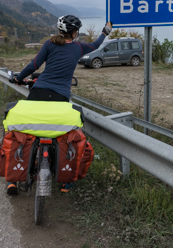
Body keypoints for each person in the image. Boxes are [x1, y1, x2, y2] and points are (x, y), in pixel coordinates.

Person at [6, 15, 112, 195]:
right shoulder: (78, 47)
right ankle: (66, 181)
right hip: (60, 96)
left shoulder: (49, 44)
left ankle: (14, 179)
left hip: (38, 92)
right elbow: (95, 45)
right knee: (64, 135)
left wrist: (18, 78)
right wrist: (105, 32)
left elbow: (34, 65)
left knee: (23, 133)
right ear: (74, 32)